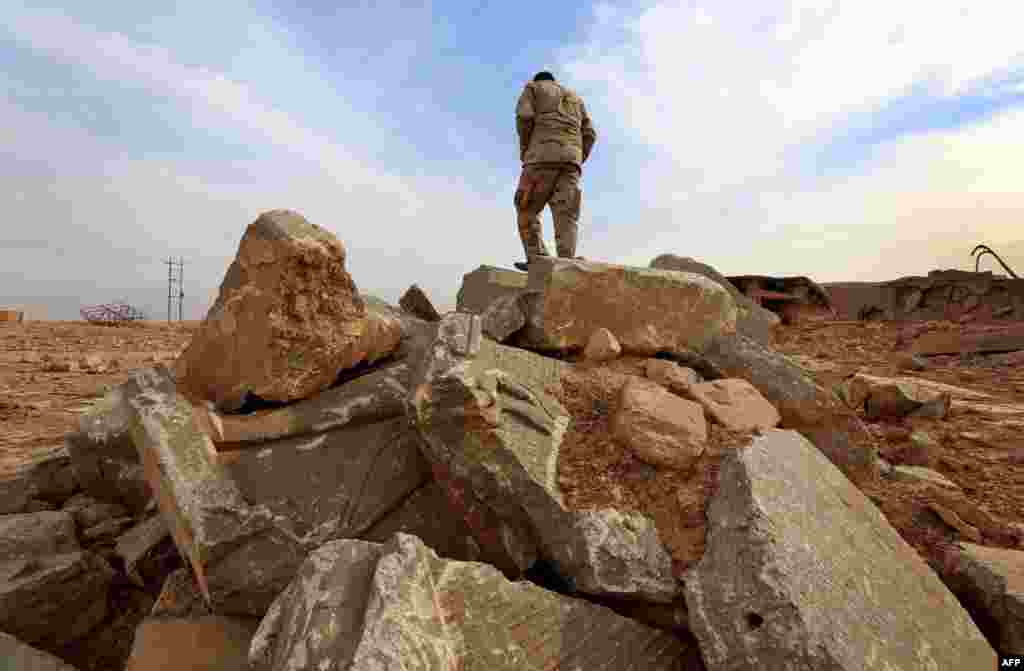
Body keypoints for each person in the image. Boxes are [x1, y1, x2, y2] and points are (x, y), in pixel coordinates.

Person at [513, 71, 597, 271]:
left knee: (526, 208)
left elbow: (524, 117)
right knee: (566, 214)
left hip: (541, 156)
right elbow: (590, 134)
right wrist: (577, 156)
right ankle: (566, 262)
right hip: (571, 162)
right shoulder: (576, 98)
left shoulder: (533, 88)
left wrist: (526, 150)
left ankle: (537, 258)